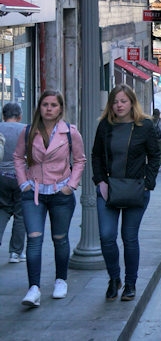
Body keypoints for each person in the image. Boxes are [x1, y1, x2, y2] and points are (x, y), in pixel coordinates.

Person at [14, 90, 86, 307]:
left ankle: (60, 280)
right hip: (33, 193)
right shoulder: (28, 131)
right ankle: (33, 288)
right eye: (45, 104)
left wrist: (71, 186)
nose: (49, 108)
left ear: (60, 109)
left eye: (53, 105)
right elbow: (18, 157)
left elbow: (80, 160)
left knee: (59, 239)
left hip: (60, 193)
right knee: (34, 239)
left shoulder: (70, 133)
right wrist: (23, 183)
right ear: (39, 107)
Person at [92, 84, 161, 302]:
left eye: (123, 101)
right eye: (115, 101)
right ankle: (114, 278)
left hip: (136, 189)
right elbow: (96, 156)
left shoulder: (145, 126)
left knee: (129, 237)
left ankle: (130, 283)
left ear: (132, 102)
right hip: (108, 188)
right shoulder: (105, 126)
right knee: (106, 236)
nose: (119, 105)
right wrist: (100, 181)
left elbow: (155, 156)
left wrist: (148, 183)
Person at [0, 102, 25, 263]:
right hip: (20, 176)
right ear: (19, 116)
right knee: (20, 214)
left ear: (3, 116)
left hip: (1, 176)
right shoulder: (25, 129)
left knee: (2, 210)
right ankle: (15, 252)